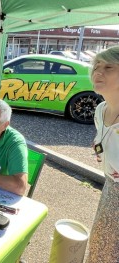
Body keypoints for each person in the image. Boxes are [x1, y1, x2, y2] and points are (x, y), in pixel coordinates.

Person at [87, 46, 119, 262]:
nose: (98, 72)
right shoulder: (100, 110)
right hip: (109, 190)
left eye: (108, 67)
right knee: (99, 246)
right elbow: (104, 139)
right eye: (96, 66)